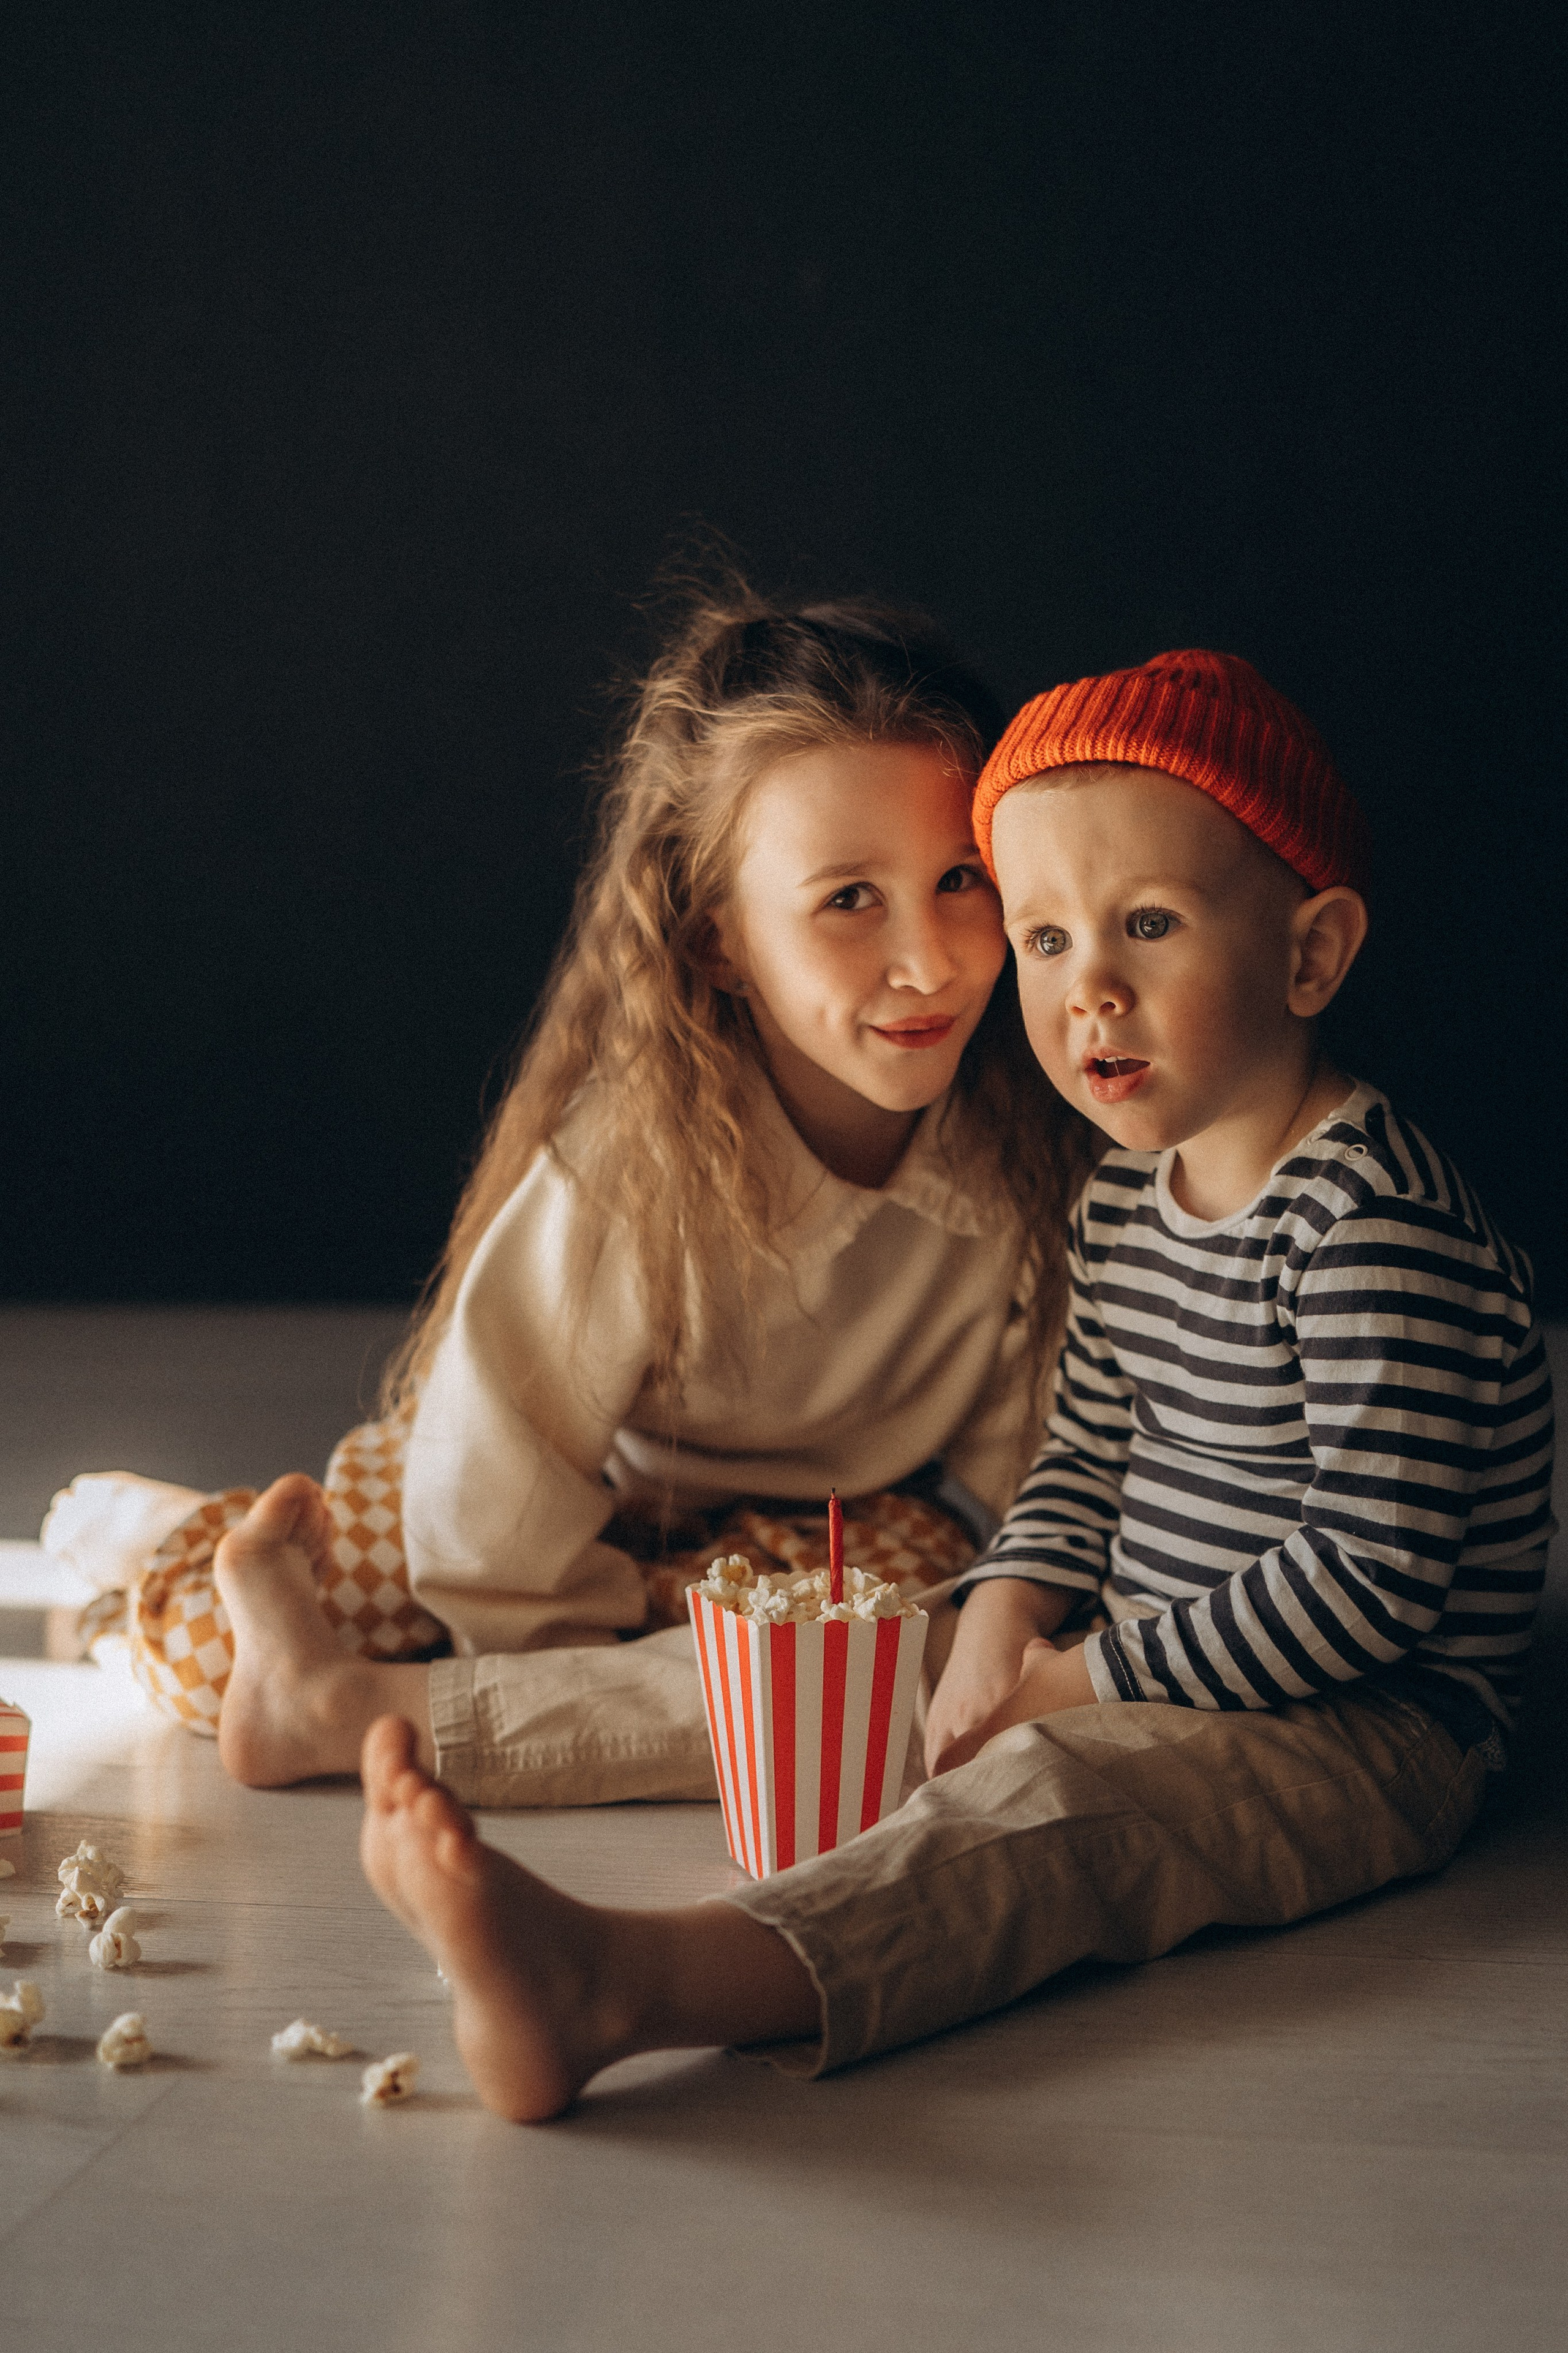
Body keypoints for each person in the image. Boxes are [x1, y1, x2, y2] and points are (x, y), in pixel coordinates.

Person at [346, 647, 1553, 2121]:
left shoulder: (1366, 1225)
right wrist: (1002, 1622)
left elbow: (1369, 1579)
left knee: (1045, 1826)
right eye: (1042, 939)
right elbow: (1085, 1450)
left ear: (1306, 956)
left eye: (1148, 927)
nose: (1086, 991)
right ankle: (399, 1715)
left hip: (1362, 1726)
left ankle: (631, 1985)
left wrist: (1090, 1679)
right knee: (879, 1675)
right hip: (1151, 1650)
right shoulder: (1128, 1196)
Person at [161, 586, 1091, 1799]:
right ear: (718, 943)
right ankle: (147, 1549)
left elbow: (1041, 1481)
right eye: (848, 899)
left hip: (829, 1521)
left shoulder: (1032, 1146)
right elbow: (492, 1491)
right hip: (567, 1504)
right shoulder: (638, 1160)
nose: (927, 960)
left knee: (935, 1663)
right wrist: (583, 1653)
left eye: (961, 877)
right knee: (202, 1640)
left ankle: (344, 1708)